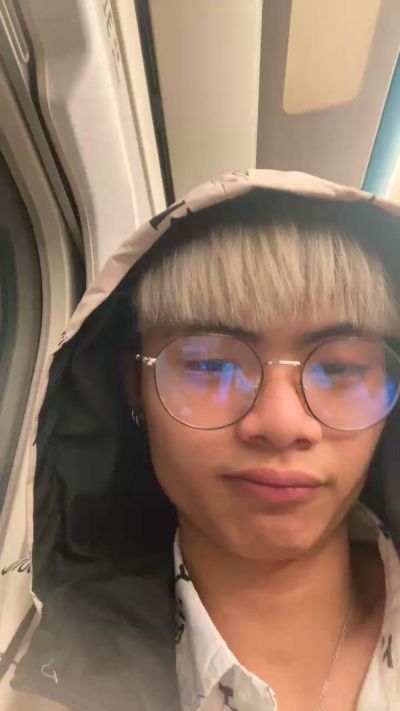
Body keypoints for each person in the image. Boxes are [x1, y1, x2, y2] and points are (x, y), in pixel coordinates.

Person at [2, 170, 400, 711]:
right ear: (134, 386)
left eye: (340, 369)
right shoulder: (29, 686)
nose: (282, 424)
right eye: (212, 365)